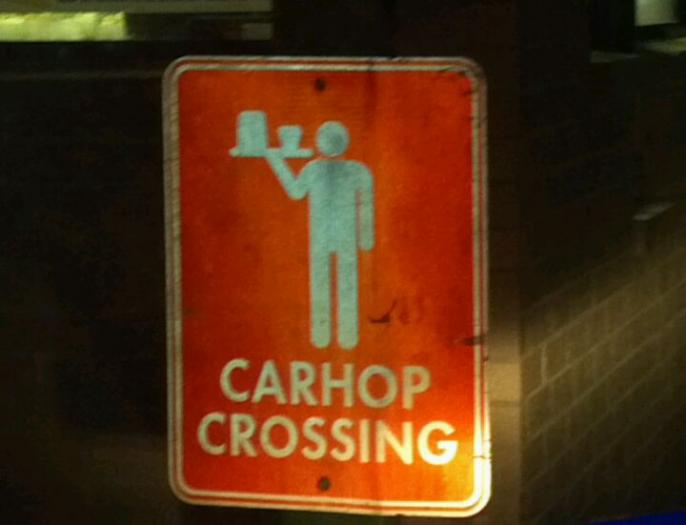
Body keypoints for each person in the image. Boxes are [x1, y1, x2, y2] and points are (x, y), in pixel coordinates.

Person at [265, 121, 375, 350]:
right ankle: (335, 338)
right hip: (331, 237)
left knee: (334, 286)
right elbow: (365, 206)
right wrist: (366, 239)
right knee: (333, 285)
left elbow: (366, 205)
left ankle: (334, 338)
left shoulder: (328, 170)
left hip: (332, 237)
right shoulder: (330, 170)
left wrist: (276, 159)